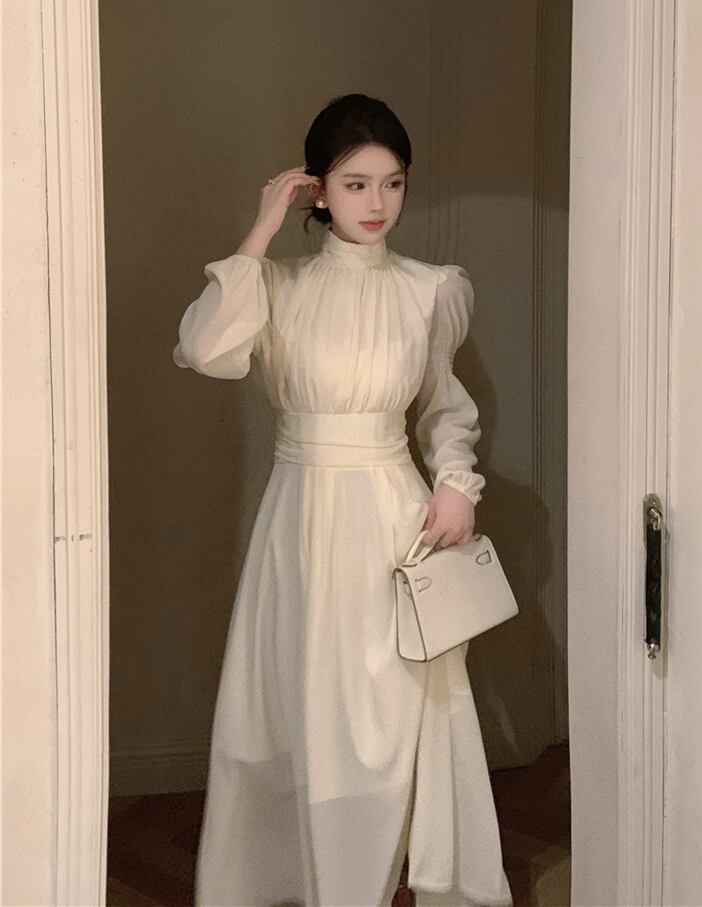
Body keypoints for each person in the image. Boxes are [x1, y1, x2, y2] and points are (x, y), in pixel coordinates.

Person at [173, 93, 513, 907]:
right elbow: (203, 348)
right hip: (300, 518)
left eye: (393, 183)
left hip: (394, 517)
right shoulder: (275, 286)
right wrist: (261, 230)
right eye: (355, 184)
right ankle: (299, 882)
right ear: (316, 189)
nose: (377, 203)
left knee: (389, 713)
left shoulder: (432, 288)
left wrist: (457, 483)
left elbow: (445, 409)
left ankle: (373, 880)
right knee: (297, 707)